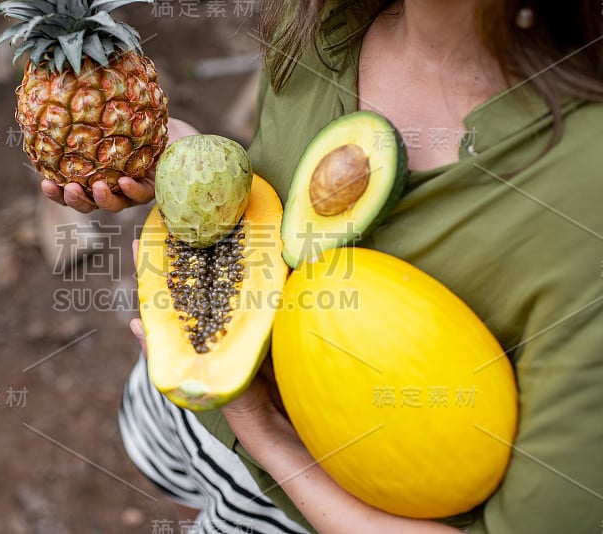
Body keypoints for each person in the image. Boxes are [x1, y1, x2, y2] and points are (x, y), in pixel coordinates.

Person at [43, 0, 603, 531]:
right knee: (163, 471)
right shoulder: (314, 13)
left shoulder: (587, 198)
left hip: (319, 510)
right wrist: (181, 167)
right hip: (185, 401)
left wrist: (259, 427)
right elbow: (275, 188)